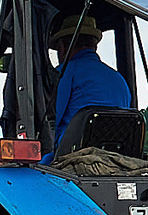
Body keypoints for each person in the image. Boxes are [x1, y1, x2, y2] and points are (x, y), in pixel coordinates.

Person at [48, 14, 132, 157]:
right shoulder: (119, 79)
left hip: (69, 159)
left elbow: (48, 124)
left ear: (62, 47)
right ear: (94, 46)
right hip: (114, 158)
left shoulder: (64, 73)